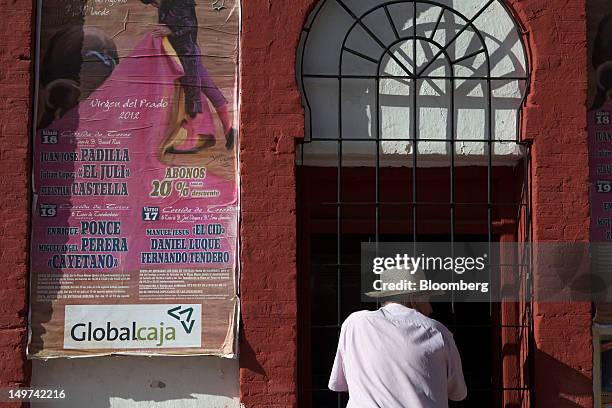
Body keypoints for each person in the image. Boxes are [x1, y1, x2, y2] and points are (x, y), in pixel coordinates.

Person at [329, 267, 467, 408]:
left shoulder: (354, 323)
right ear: (414, 297)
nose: (430, 307)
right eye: (427, 297)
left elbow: (339, 384)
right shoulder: (437, 331)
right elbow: (458, 393)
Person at [141, 0, 235, 150]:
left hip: (186, 55)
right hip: (185, 53)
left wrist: (171, 31)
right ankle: (228, 129)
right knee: (207, 88)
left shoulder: (178, 4)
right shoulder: (168, 5)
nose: (153, 5)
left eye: (153, 1)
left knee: (192, 94)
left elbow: (190, 25)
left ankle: (193, 138)